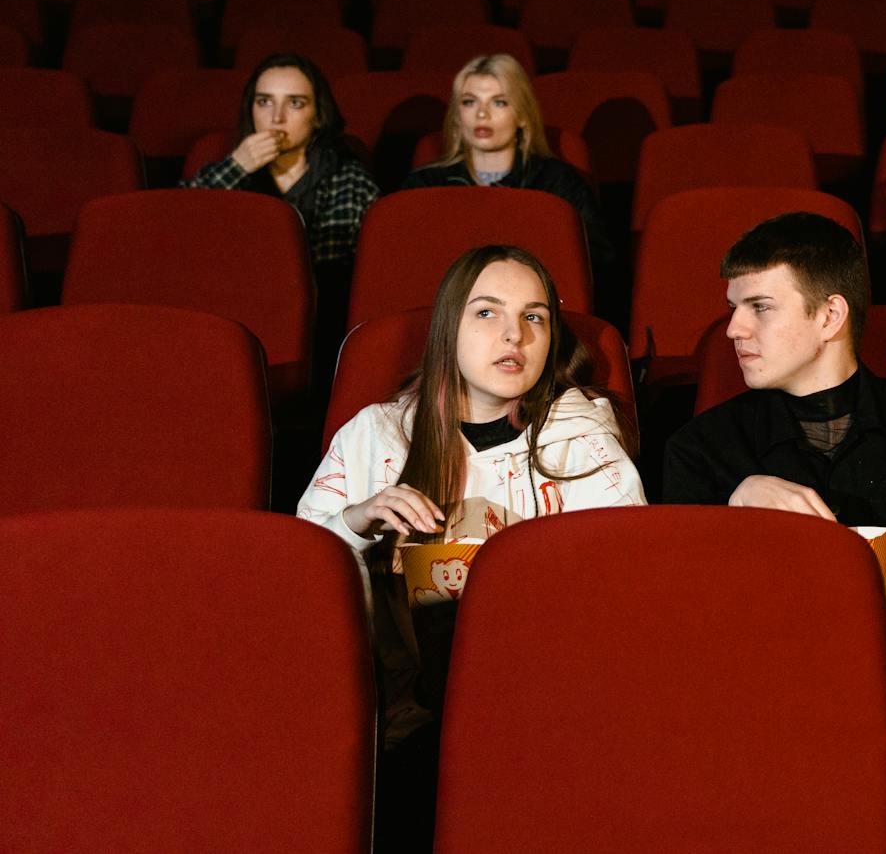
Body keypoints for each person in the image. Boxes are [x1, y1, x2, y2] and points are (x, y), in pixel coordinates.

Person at [663, 211, 886, 854]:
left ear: (829, 316)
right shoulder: (702, 452)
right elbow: (683, 633)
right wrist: (729, 508)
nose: (733, 329)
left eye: (759, 307)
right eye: (734, 307)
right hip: (758, 738)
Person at [299, 244, 644, 743]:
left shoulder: (583, 439)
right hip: (390, 718)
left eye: (535, 317)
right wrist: (355, 522)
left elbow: (622, 585)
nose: (514, 334)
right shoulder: (374, 435)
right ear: (447, 329)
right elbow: (298, 591)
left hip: (545, 704)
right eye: (487, 312)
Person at [403, 53, 616, 273]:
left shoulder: (558, 183)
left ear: (523, 116)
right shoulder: (424, 186)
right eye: (469, 102)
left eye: (499, 102)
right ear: (457, 116)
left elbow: (596, 262)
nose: (482, 114)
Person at [182, 52, 378, 268]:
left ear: (319, 116)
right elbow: (178, 224)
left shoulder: (349, 181)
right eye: (264, 101)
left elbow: (343, 274)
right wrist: (236, 167)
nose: (276, 118)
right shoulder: (230, 172)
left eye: (295, 102)